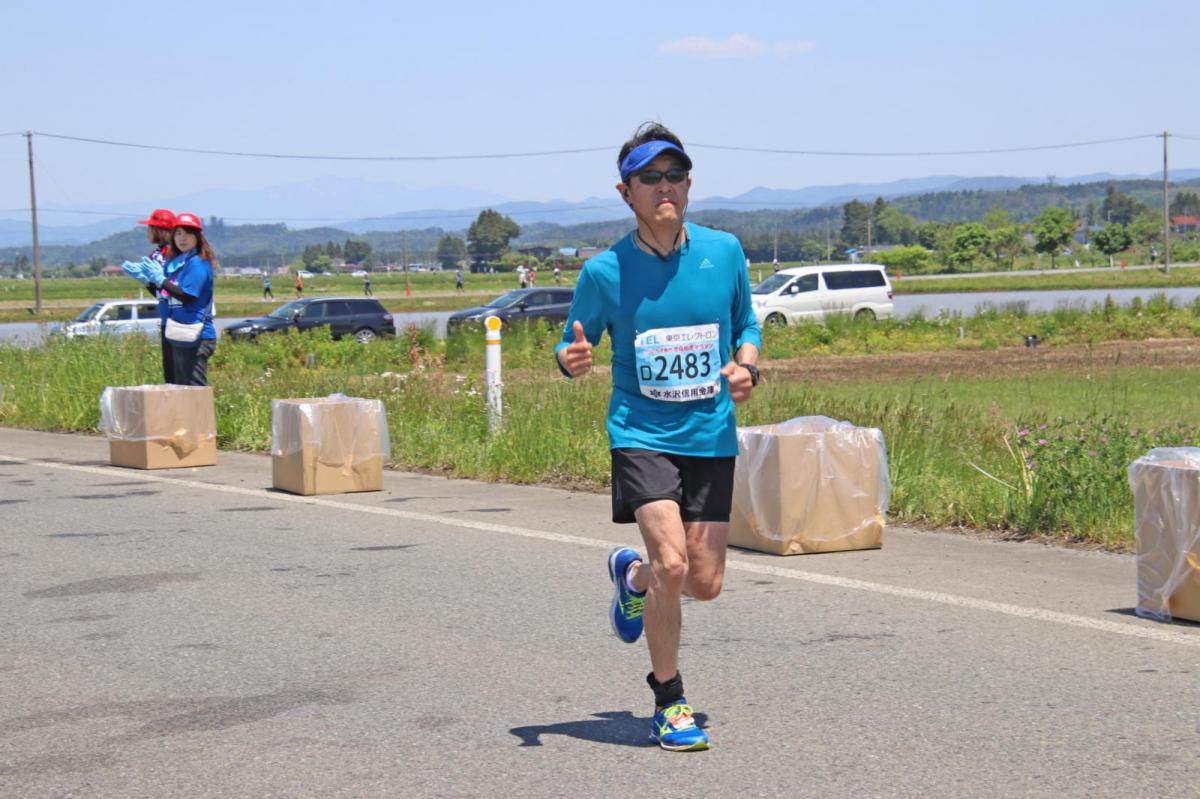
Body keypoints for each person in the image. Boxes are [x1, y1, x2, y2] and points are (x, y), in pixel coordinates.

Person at [555, 122, 761, 752]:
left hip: (711, 434)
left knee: (702, 582)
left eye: (675, 175)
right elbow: (570, 343)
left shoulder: (724, 252)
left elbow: (746, 323)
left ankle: (633, 580)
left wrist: (748, 366)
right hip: (640, 432)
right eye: (650, 177)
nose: (664, 187)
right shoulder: (605, 271)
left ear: (689, 184)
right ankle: (670, 701)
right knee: (675, 561)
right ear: (627, 193)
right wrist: (573, 359)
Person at [138, 213, 218, 386]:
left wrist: (161, 280)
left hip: (196, 333)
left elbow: (187, 296)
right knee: (179, 387)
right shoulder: (180, 262)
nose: (182, 238)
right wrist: (149, 283)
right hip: (180, 331)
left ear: (197, 236)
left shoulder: (197, 262)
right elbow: (168, 295)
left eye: (188, 233)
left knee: (194, 390)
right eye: (178, 233)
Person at [120, 209, 177, 382]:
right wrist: (147, 282)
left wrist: (158, 281)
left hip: (176, 315)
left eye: (150, 228)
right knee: (170, 371)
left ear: (160, 230)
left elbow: (172, 289)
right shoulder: (156, 254)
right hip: (166, 315)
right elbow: (160, 293)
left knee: (177, 372)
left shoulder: (173, 253)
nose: (148, 232)